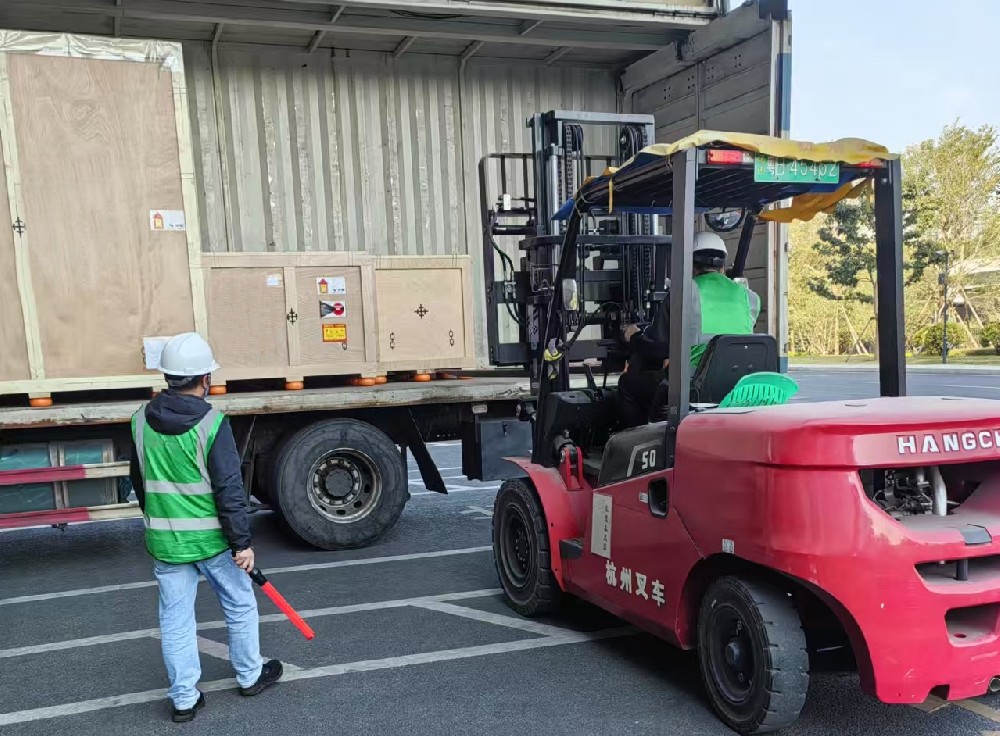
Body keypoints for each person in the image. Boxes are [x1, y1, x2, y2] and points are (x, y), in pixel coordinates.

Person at [129, 332, 282, 722]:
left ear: (167, 376)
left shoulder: (140, 420)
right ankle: (250, 675)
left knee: (175, 619)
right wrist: (241, 543)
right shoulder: (212, 423)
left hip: (166, 542)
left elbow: (139, 481)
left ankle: (184, 699)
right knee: (239, 604)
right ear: (205, 378)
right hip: (213, 542)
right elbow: (229, 488)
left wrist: (158, 521)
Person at [617, 231, 760, 427]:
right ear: (723, 266)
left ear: (691, 264)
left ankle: (632, 440)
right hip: (739, 384)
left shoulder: (684, 293)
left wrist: (633, 336)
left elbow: (658, 349)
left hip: (695, 385)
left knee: (628, 385)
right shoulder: (750, 297)